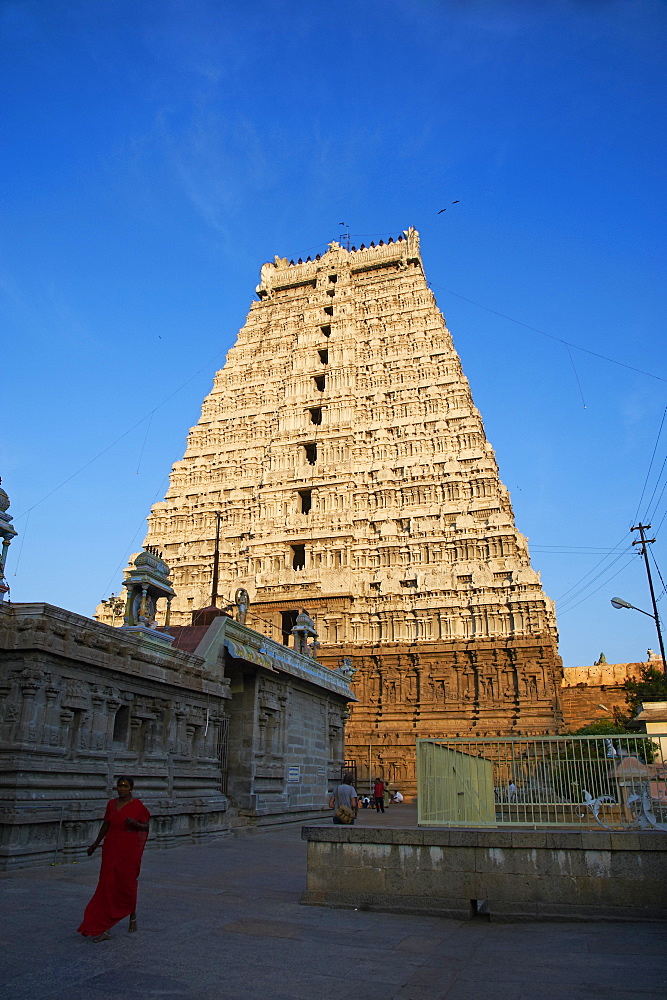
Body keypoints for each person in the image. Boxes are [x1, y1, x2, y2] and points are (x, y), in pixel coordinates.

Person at [78, 776, 150, 942]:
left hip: (128, 849)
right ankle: (105, 927)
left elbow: (146, 825)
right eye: (119, 786)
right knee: (107, 884)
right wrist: (95, 844)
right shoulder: (111, 804)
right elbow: (106, 825)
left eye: (125, 786)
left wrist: (136, 825)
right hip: (111, 847)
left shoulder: (137, 805)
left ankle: (132, 915)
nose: (122, 789)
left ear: (131, 788)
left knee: (127, 883)